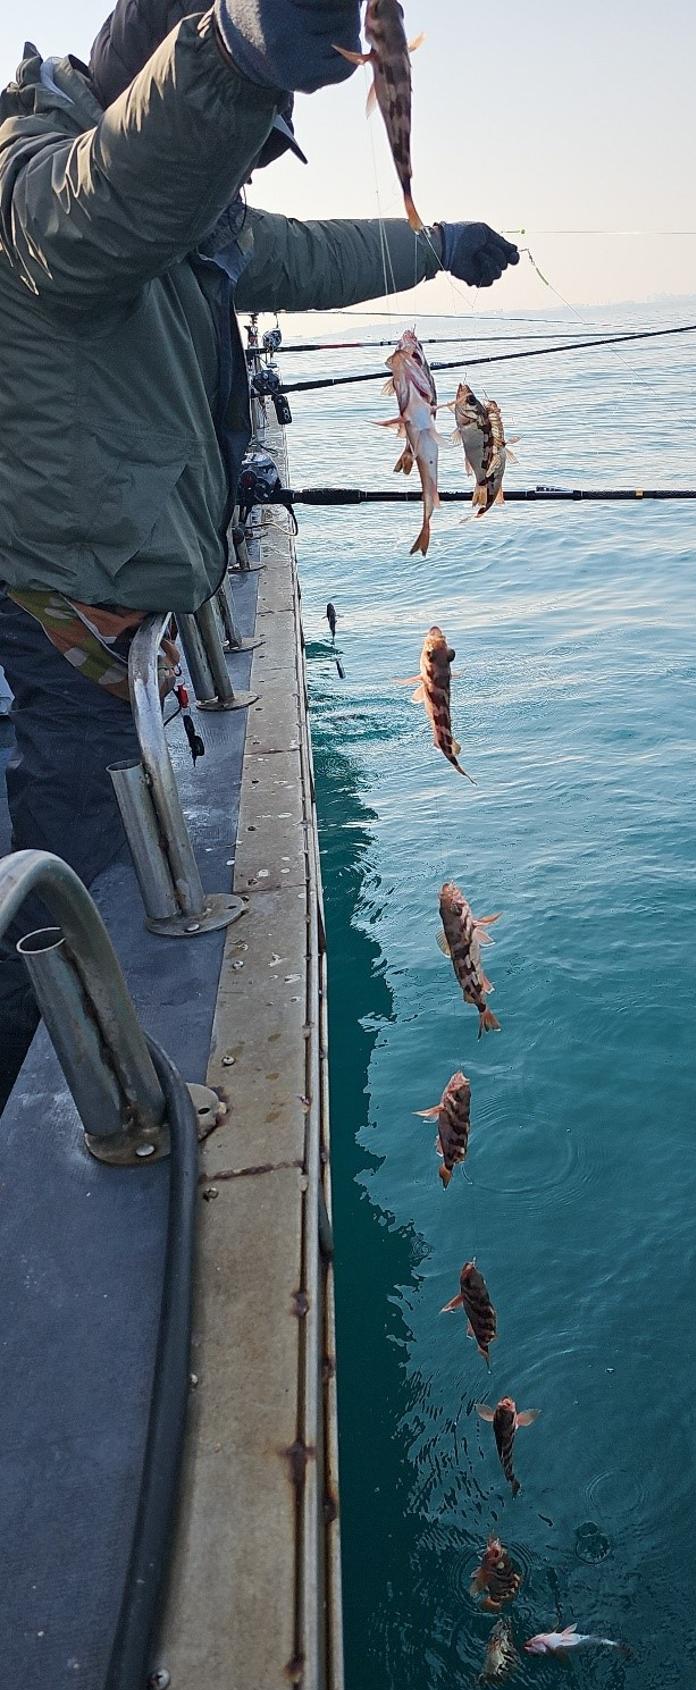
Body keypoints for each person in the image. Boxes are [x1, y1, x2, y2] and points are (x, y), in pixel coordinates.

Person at [0, 0, 519, 1109]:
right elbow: (100, 207)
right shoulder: (32, 178)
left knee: (112, 854)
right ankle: (59, 1093)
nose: (243, 173)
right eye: (241, 143)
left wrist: (431, 245)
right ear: (150, 102)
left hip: (121, 620)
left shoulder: (188, 220)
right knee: (80, 878)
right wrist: (226, 59)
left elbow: (296, 251)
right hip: (61, 626)